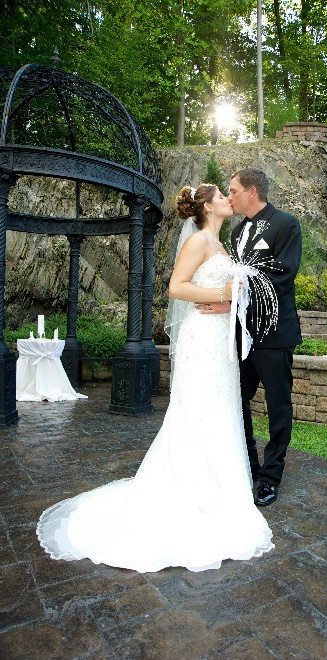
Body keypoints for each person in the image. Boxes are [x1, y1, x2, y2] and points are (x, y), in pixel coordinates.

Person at [36, 183, 273, 573]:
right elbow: (176, 287)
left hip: (218, 340)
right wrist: (223, 292)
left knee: (218, 408)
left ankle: (220, 486)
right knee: (197, 407)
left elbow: (222, 293)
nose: (230, 200)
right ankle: (191, 488)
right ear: (208, 207)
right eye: (223, 197)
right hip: (201, 339)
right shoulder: (198, 240)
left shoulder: (221, 243)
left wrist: (227, 296)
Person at [198, 169, 302, 506]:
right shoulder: (238, 230)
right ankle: (249, 466)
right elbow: (235, 277)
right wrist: (228, 304)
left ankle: (271, 478)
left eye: (234, 191)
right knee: (236, 400)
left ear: (252, 191)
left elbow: (282, 276)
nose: (229, 197)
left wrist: (231, 299)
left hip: (274, 332)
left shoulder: (286, 224)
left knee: (277, 405)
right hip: (241, 334)